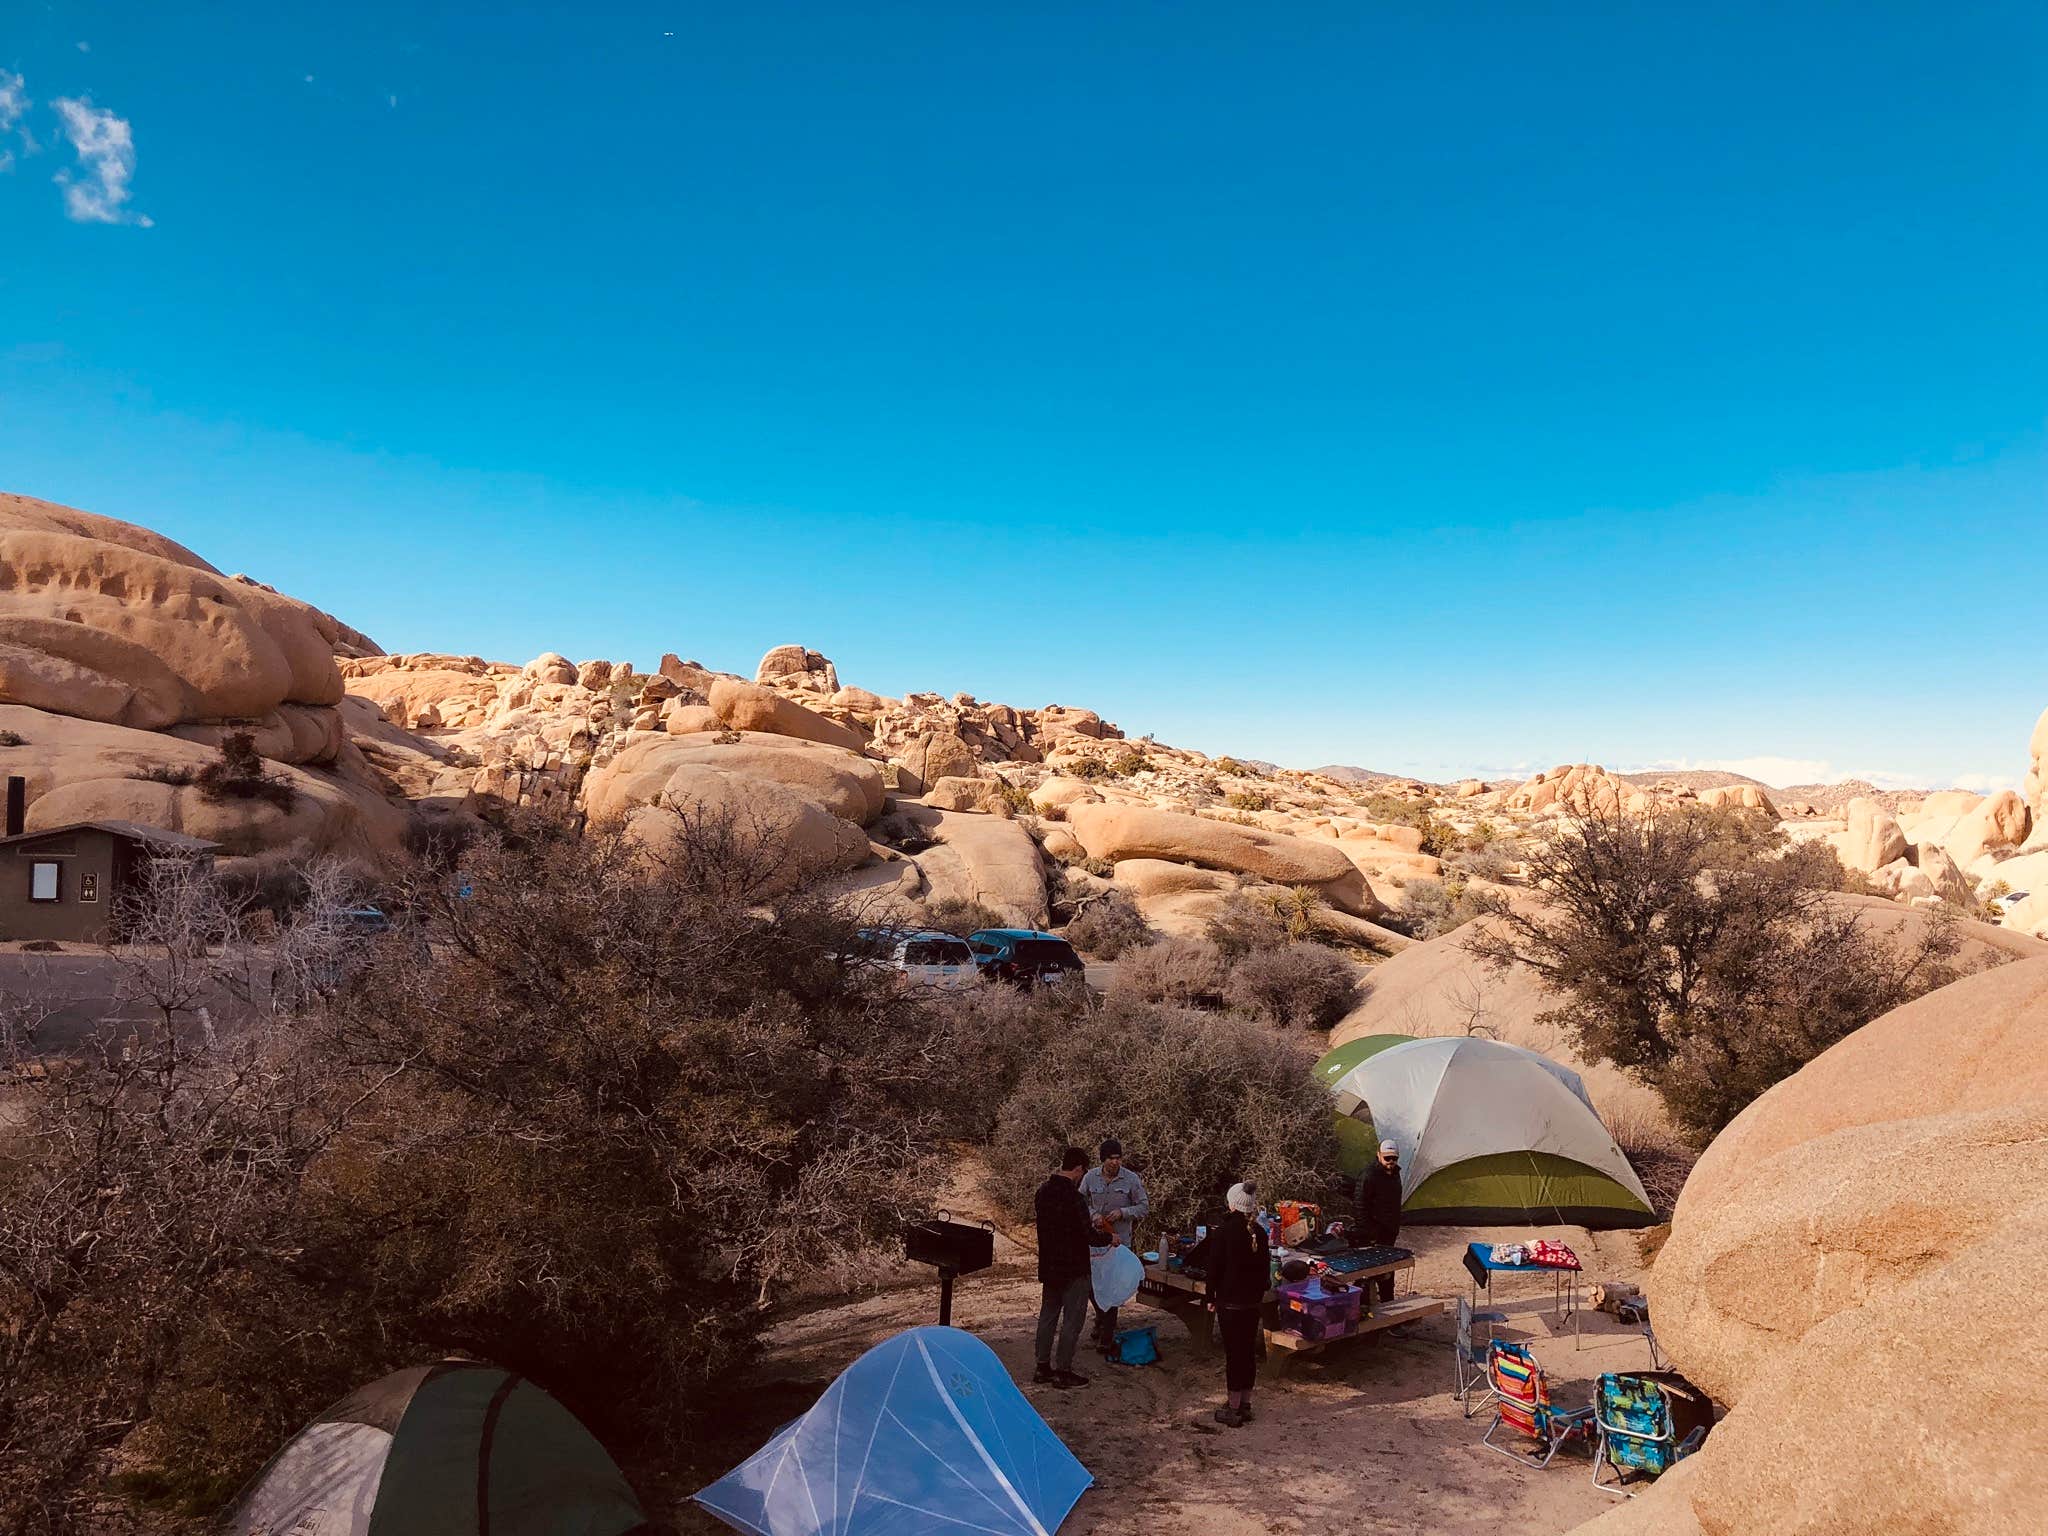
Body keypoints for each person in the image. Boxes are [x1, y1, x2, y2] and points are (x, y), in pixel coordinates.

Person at [1208, 1180, 1272, 1427]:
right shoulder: (1259, 1232)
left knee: (1234, 1356)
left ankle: (1232, 1408)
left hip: (1230, 1303)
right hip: (1251, 1303)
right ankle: (1245, 1403)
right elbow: (1265, 1269)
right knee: (1247, 1353)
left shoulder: (1223, 1231)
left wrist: (1210, 1297)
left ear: (1232, 1204)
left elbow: (1214, 1268)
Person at [1079, 1136, 1149, 1352]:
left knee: (1113, 1286)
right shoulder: (1090, 1178)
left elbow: (1144, 1207)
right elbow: (1080, 1202)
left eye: (1118, 1158)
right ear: (1103, 1159)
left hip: (1118, 1243)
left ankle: (1106, 1338)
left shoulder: (1131, 1180)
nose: (1115, 1162)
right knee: (1093, 1286)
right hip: (1094, 1243)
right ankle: (1101, 1318)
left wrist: (1123, 1212)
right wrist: (1092, 1216)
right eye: (1111, 1158)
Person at [1033, 1146, 1095, 1388]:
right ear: (1078, 1168)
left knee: (1048, 1316)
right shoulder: (1075, 1198)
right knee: (1072, 1320)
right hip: (1074, 1268)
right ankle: (1063, 1370)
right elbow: (1087, 1234)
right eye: (1083, 1171)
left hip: (1050, 1265)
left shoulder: (1042, 1192)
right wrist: (1108, 1239)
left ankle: (1042, 1366)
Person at [1358, 1138, 1404, 1304]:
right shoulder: (1369, 1176)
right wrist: (1369, 1232)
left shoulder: (1395, 1174)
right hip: (1374, 1234)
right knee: (1367, 1273)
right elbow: (1360, 1206)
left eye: (1394, 1158)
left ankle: (1387, 1305)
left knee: (1387, 1272)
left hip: (1389, 1231)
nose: (1391, 1162)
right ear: (1378, 1155)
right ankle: (1364, 1308)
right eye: (1387, 1158)